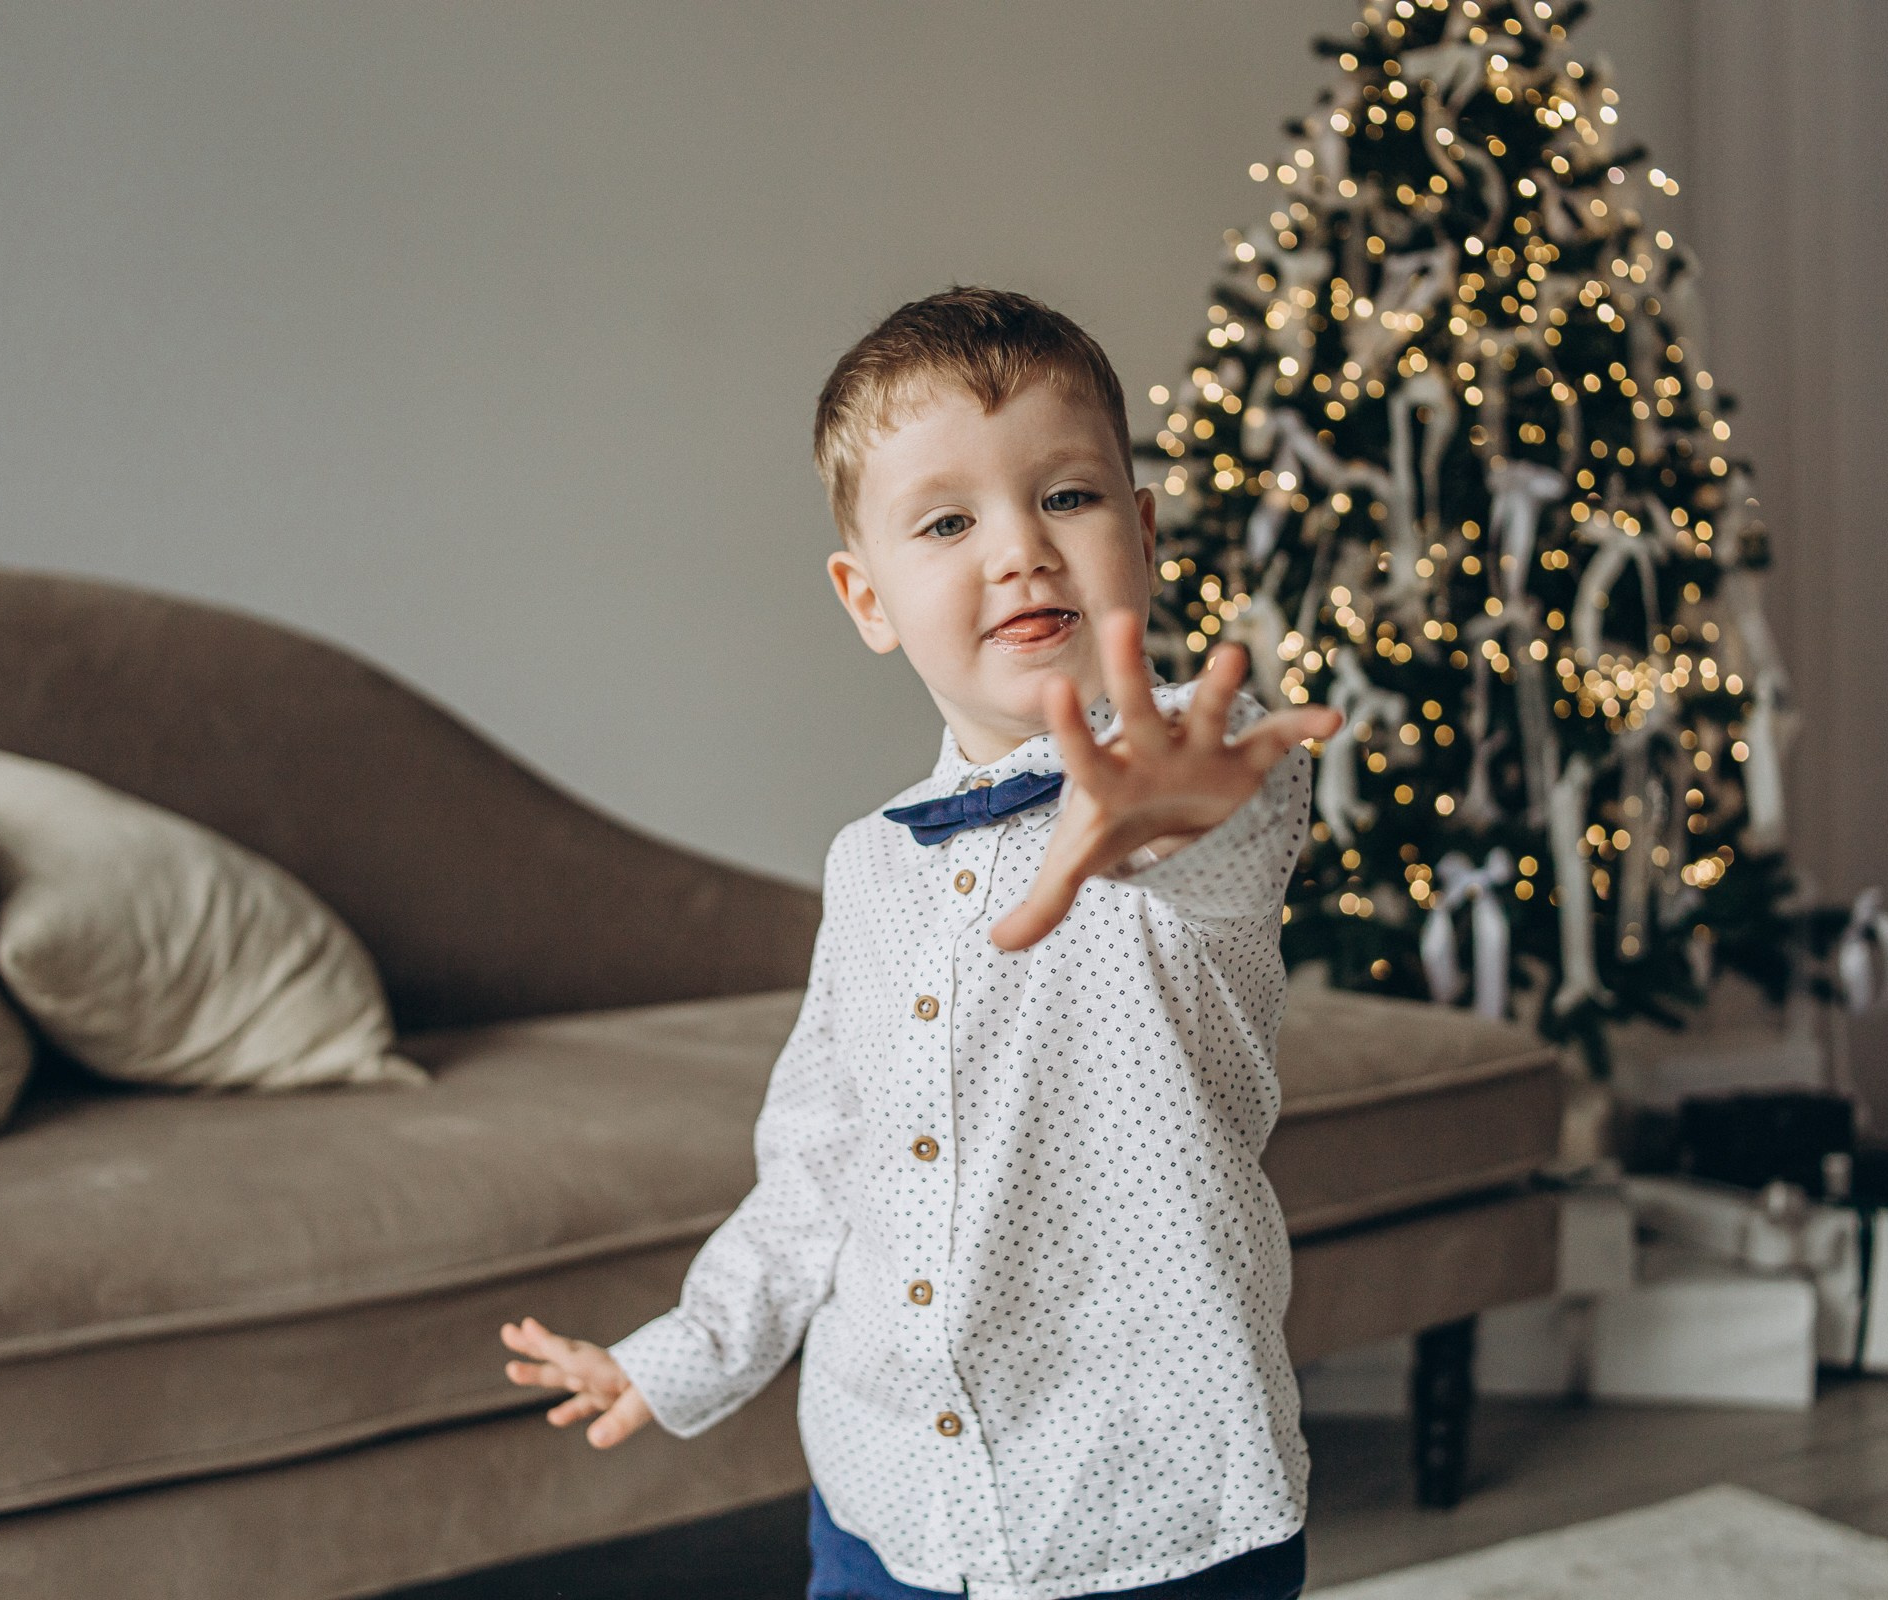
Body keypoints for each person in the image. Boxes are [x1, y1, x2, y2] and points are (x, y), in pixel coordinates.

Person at [502, 287, 1339, 1600]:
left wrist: (1175, 818)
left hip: (1152, 1507)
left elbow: (1224, 862)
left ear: (1145, 533)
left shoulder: (1217, 775)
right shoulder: (870, 864)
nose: (1021, 550)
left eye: (1067, 497)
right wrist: (680, 1352)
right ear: (868, 596)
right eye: (948, 522)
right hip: (889, 1501)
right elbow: (820, 1161)